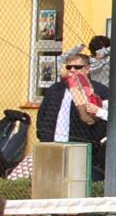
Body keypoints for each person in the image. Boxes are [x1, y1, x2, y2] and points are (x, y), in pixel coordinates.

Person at [35, 47, 109, 188]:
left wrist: (94, 141)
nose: (72, 70)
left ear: (87, 69)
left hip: (83, 148)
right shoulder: (55, 89)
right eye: (69, 67)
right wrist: (43, 136)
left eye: (77, 67)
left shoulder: (99, 91)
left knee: (77, 184)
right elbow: (43, 115)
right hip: (53, 145)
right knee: (52, 183)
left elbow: (105, 119)